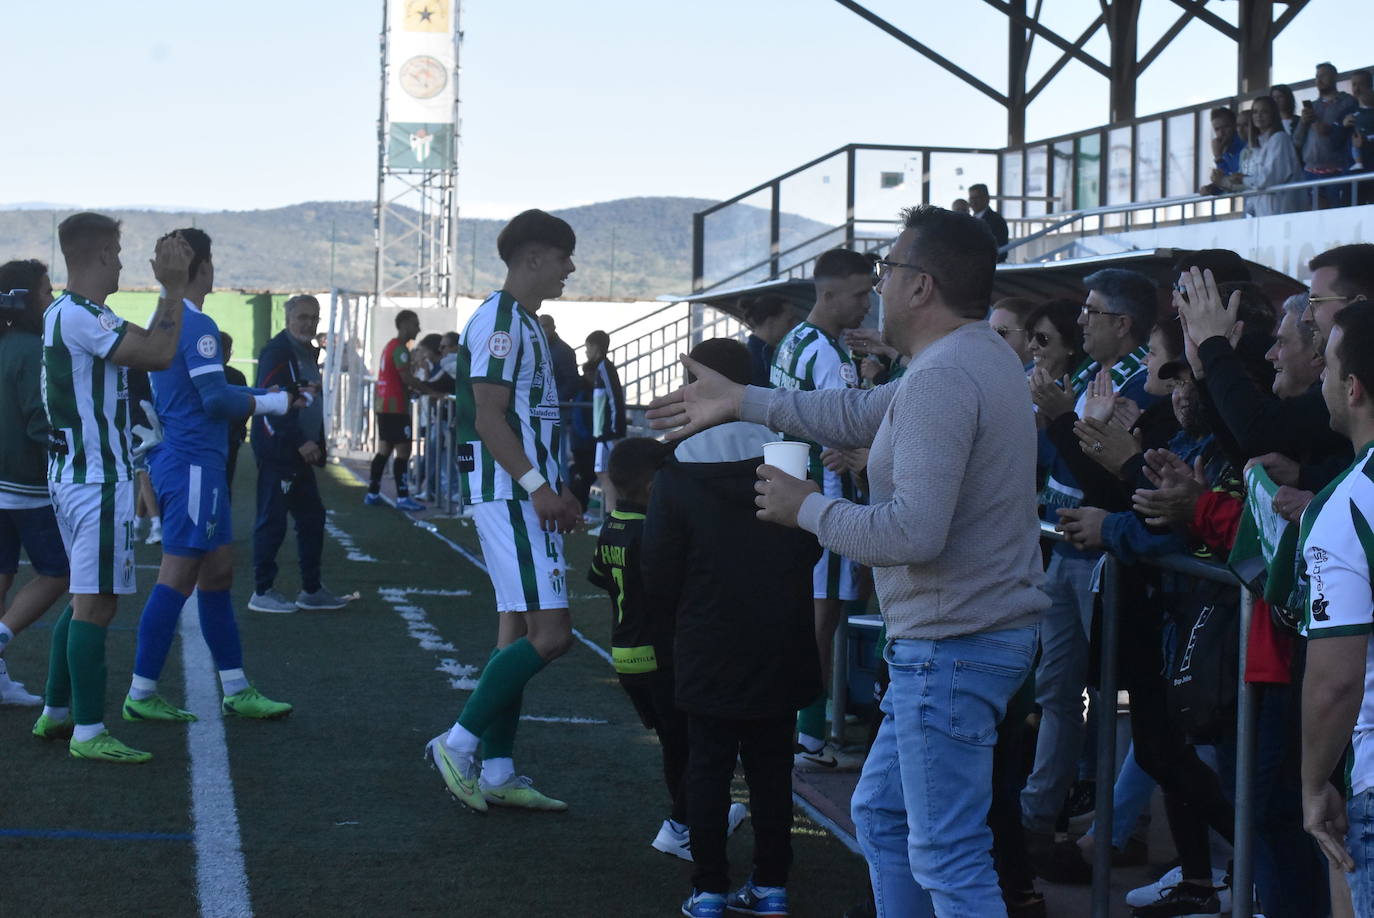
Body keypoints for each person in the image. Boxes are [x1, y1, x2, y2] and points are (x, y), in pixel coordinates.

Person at [648, 204, 1048, 916]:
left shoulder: (946, 375)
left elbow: (912, 534)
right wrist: (743, 400)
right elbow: (858, 416)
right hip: (964, 643)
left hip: (952, 646)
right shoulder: (971, 358)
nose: (877, 289)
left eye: (887, 271)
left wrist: (803, 506)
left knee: (947, 857)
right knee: (884, 817)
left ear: (921, 285)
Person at [642, 338, 822, 918]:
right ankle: (772, 886)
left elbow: (658, 571)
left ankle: (710, 888)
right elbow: (809, 547)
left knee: (709, 768)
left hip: (707, 640)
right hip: (781, 638)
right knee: (772, 771)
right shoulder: (786, 457)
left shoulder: (676, 469)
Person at [426, 209, 583, 812]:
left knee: (515, 633)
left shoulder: (523, 322)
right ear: (533, 258)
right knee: (553, 636)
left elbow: (528, 419)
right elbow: (488, 414)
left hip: (521, 490)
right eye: (564, 256)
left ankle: (496, 770)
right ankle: (458, 743)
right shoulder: (499, 320)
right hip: (510, 494)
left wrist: (557, 485)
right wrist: (539, 487)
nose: (571, 268)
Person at [33, 213, 193, 763]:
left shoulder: (67, 313)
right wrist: (173, 289)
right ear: (102, 254)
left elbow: (144, 346)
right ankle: (88, 731)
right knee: (97, 605)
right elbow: (157, 353)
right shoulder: (79, 315)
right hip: (96, 480)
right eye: (120, 253)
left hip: (76, 477)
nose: (125, 262)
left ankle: (57, 712)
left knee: (83, 598)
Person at [121, 227, 294, 725]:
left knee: (218, 575)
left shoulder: (166, 317)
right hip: (193, 465)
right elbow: (216, 399)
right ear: (202, 268)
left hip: (193, 464)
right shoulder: (195, 324)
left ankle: (236, 687)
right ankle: (141, 691)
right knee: (178, 578)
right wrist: (278, 401)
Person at [1023, 269, 1157, 853]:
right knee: (1057, 689)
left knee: (1116, 697)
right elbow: (1064, 462)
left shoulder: (1141, 383)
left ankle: (1120, 828)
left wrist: (1056, 419)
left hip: (1107, 557)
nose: (1081, 322)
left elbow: (1107, 480)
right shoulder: (1093, 376)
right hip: (1067, 548)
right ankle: (1037, 815)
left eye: (1091, 312)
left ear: (1122, 324)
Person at [587, 434, 748, 863]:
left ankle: (691, 819)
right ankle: (681, 825)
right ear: (656, 486)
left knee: (676, 744)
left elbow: (600, 577)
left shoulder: (611, 527)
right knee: (701, 744)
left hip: (625, 655)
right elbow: (672, 590)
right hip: (662, 657)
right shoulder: (652, 532)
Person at [770, 247, 872, 767]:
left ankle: (800, 729)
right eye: (859, 293)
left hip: (794, 488)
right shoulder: (828, 355)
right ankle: (807, 736)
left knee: (812, 618)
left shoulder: (793, 342)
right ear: (829, 294)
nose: (868, 302)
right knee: (821, 620)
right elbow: (846, 428)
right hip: (824, 496)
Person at [1298, 302, 1374, 915]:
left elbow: (1336, 678)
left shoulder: (1347, 504)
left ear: (1352, 388)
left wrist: (1314, 782)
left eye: (1326, 363)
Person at [0, 259, 69, 705]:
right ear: (26, 301)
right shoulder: (30, 350)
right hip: (26, 485)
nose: (53, 299)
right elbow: (41, 424)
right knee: (58, 572)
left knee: (2, 574)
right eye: (47, 291)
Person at [248, 294, 343, 614]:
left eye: (314, 317)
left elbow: (309, 401)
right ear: (288, 319)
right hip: (281, 452)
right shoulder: (277, 351)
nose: (309, 323)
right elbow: (273, 403)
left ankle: (312, 589)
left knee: (312, 517)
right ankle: (262, 590)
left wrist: (317, 443)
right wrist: (299, 441)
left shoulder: (306, 352)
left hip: (301, 454)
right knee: (272, 521)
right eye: (302, 317)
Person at [365, 309, 431, 511]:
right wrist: (430, 391)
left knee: (385, 449)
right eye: (415, 323)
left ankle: (373, 492)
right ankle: (402, 497)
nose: (418, 328)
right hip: (395, 407)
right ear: (404, 325)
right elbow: (406, 379)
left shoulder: (391, 346)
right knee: (403, 450)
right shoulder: (400, 348)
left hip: (384, 405)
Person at [1214, 96, 1304, 216]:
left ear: (1273, 114)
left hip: (1282, 212)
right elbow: (1252, 184)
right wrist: (1222, 181)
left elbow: (1268, 179)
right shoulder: (1257, 145)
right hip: (1262, 213)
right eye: (1255, 112)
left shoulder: (1280, 139)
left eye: (1264, 112)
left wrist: (1242, 179)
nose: (1259, 115)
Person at [1294, 62, 1358, 207]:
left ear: (1335, 77)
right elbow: (1297, 141)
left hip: (1337, 170)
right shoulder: (1313, 106)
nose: (1319, 79)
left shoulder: (1347, 102)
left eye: (1323, 75)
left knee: (1337, 214)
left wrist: (1318, 122)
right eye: (1317, 76)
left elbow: (1337, 132)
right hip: (1310, 172)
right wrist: (1303, 122)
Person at [585, 329, 626, 520]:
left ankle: (611, 518)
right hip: (603, 431)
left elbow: (615, 398)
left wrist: (615, 429)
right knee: (604, 473)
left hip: (608, 431)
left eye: (588, 347)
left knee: (606, 473)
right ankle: (610, 517)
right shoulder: (601, 368)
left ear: (597, 348)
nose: (586, 352)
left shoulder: (605, 368)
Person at [743, 294, 796, 388]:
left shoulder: (765, 352)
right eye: (789, 321)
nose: (793, 327)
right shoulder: (758, 358)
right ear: (771, 322)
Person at [221, 331, 248, 494]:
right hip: (230, 437)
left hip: (226, 437)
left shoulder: (236, 376)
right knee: (225, 483)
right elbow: (244, 409)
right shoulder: (236, 376)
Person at [988, 296, 1039, 369]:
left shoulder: (1045, 379)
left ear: (1029, 338)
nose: (990, 340)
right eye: (988, 333)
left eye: (1000, 332)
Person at [968, 183, 1009, 261]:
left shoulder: (997, 221)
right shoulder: (969, 220)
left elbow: (1001, 250)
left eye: (977, 198)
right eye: (971, 198)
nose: (973, 202)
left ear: (987, 199)